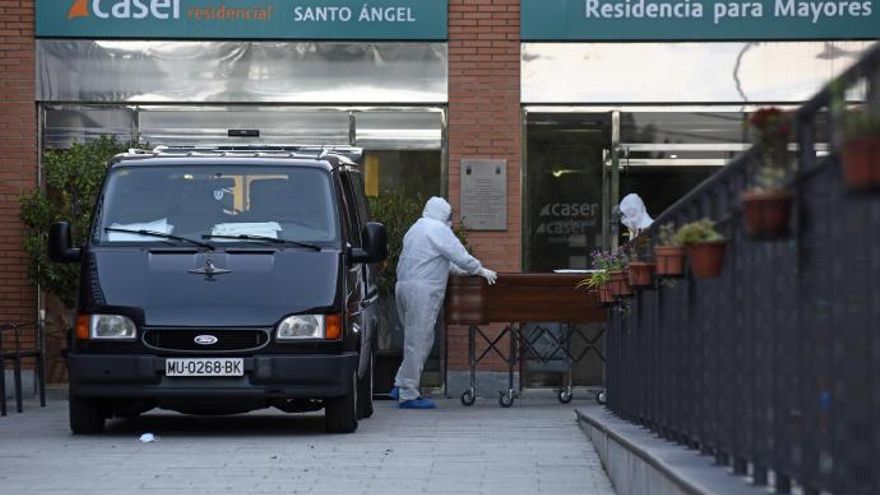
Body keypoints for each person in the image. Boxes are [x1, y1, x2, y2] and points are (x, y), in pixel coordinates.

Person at [390, 197, 497, 409]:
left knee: (416, 340)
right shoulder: (438, 230)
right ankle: (408, 394)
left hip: (403, 287)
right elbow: (459, 255)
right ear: (442, 214)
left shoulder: (416, 228)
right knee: (418, 342)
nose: (450, 220)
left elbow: (439, 262)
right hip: (423, 291)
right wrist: (479, 270)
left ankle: (401, 383)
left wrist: (468, 271)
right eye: (449, 216)